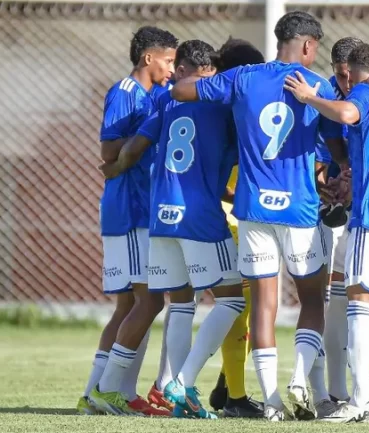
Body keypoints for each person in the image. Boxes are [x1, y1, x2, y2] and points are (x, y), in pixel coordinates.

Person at [170, 11, 344, 421]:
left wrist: (207, 81)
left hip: (252, 209)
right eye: (314, 47)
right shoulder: (316, 86)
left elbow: (181, 92)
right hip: (299, 210)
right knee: (312, 300)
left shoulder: (244, 77)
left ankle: (270, 402)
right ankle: (300, 378)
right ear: (306, 45)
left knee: (263, 305)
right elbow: (337, 146)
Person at [102, 39, 249, 420]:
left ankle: (107, 389)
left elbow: (134, 148)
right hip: (198, 214)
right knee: (232, 298)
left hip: (160, 215)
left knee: (180, 302)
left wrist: (115, 168)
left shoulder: (167, 99)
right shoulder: (223, 103)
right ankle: (179, 383)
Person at [284, 43, 369, 424]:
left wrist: (310, 98)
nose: (344, 82)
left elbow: (346, 111)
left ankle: (358, 402)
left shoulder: (365, 93)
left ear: (360, 71)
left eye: (349, 75)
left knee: (360, 307)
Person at [87, 26, 178, 417]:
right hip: (130, 210)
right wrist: (137, 144)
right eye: (168, 60)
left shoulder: (157, 94)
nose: (172, 69)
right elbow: (108, 151)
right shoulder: (125, 93)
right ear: (148, 59)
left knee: (130, 303)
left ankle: (97, 394)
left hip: (141, 209)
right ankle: (111, 391)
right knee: (148, 299)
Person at [205, 38, 267, 420]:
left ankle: (230, 384)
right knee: (237, 307)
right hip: (230, 217)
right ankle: (234, 397)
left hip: (237, 215)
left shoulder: (225, 103)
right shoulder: (230, 108)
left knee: (251, 307)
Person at [320, 36, 363, 407]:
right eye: (339, 76)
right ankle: (334, 390)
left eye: (350, 75)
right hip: (337, 209)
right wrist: (333, 180)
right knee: (334, 296)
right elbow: (326, 156)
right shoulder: (327, 96)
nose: (345, 84)